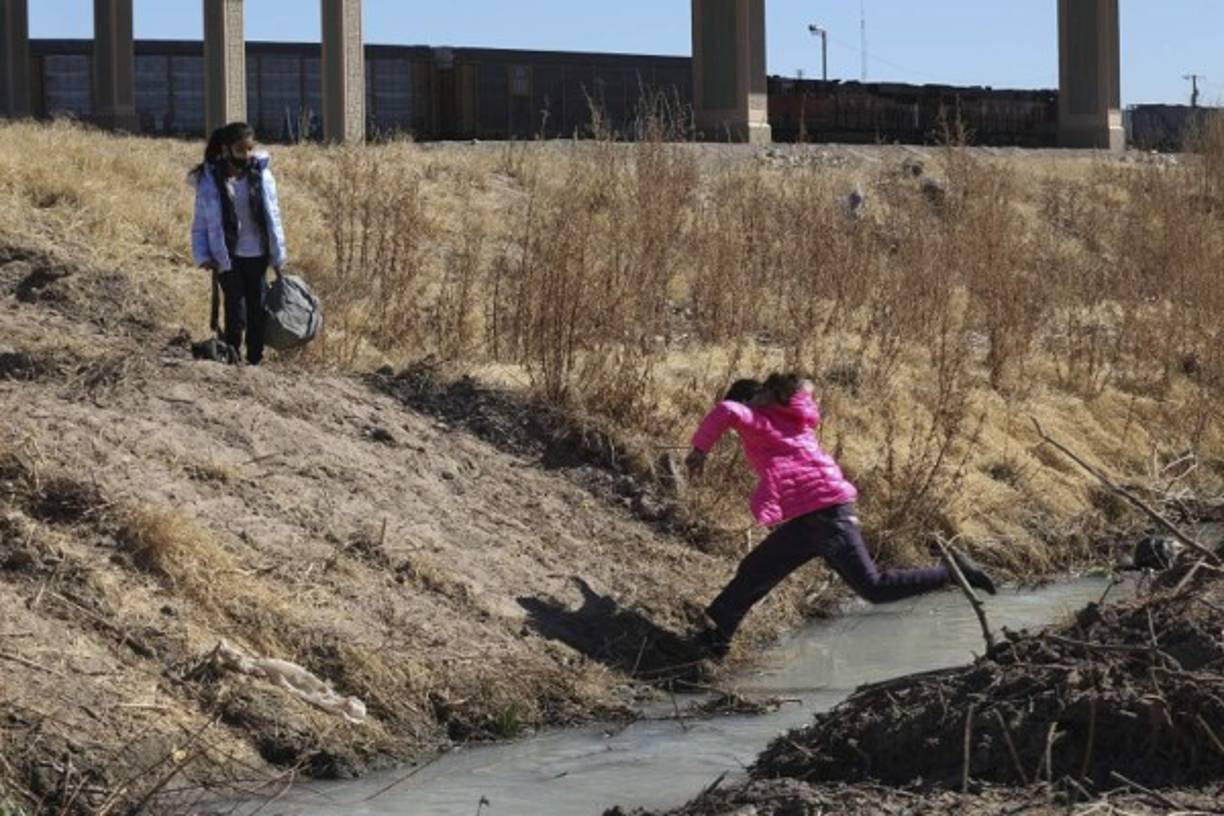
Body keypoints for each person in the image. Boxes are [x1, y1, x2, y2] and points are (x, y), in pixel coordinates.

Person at [686, 373, 996, 658]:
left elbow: (726, 410)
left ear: (754, 401)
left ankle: (955, 573)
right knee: (756, 568)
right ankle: (714, 638)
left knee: (873, 588)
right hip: (812, 518)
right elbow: (802, 388)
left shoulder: (757, 418)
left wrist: (700, 450)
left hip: (828, 516)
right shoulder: (794, 420)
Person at [190, 122, 288, 366]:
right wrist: (203, 255)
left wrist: (277, 257)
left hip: (257, 255)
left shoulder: (262, 177)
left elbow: (273, 218)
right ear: (225, 150)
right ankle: (233, 358)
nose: (245, 155)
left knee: (257, 311)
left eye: (249, 149)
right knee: (236, 312)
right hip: (227, 256)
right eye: (239, 150)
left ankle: (255, 360)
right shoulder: (210, 182)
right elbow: (201, 222)